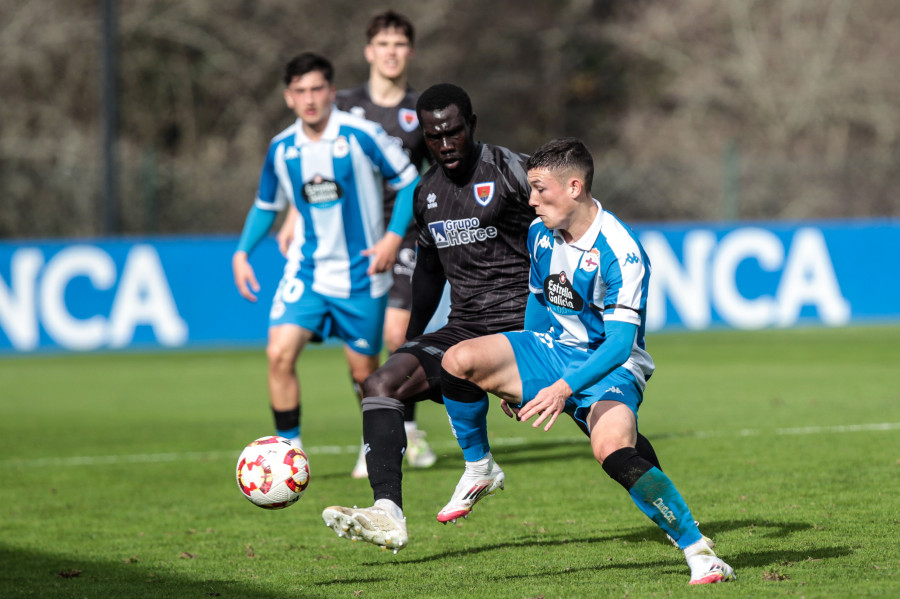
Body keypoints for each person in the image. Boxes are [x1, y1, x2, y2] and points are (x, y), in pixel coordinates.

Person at [436, 137, 736, 584]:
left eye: (540, 189)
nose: (532, 201)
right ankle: (480, 467)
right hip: (552, 348)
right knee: (458, 360)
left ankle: (699, 553)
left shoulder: (621, 252)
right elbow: (538, 302)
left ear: (574, 187)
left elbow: (618, 346)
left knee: (612, 450)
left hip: (611, 366)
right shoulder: (540, 233)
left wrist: (561, 388)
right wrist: (522, 371)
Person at [321, 83, 537, 552]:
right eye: (434, 136)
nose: (444, 144)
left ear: (471, 126)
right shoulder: (425, 193)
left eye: (453, 133)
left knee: (607, 435)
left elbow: (562, 236)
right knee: (380, 384)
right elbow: (428, 275)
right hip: (464, 328)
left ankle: (685, 532)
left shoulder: (512, 171)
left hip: (525, 328)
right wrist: (412, 345)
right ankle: (388, 512)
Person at [231, 52, 420, 475]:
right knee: (279, 353)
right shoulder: (282, 148)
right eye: (300, 91)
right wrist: (243, 252)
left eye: (317, 89)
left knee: (363, 373)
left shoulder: (361, 134)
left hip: (362, 275)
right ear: (288, 97)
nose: (310, 98)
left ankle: (372, 443)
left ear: (332, 92)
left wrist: (392, 238)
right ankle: (286, 457)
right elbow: (266, 205)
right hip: (308, 272)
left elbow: (410, 183)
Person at [277, 11, 436, 477]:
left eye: (399, 44)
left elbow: (430, 174)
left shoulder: (418, 110)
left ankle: (403, 429)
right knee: (359, 347)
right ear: (369, 51)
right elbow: (312, 164)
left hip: (403, 234)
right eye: (382, 43)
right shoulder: (340, 104)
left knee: (394, 334)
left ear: (410, 51)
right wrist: (291, 215)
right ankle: (388, 428)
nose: (391, 51)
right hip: (351, 240)